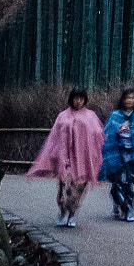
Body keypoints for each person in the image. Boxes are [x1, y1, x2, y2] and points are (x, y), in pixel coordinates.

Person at [26, 87, 105, 228]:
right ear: (71, 98)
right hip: (65, 159)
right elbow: (55, 137)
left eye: (81, 98)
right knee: (64, 187)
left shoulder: (91, 116)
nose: (79, 101)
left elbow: (97, 135)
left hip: (83, 159)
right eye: (76, 98)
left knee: (78, 188)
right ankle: (63, 211)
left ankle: (72, 213)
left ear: (85, 99)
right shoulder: (63, 116)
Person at [101, 87, 134, 222]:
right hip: (117, 155)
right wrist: (119, 131)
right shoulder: (115, 116)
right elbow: (108, 134)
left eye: (132, 98)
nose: (130, 100)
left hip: (133, 156)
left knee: (129, 182)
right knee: (117, 183)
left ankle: (128, 208)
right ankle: (119, 205)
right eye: (127, 98)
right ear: (123, 100)